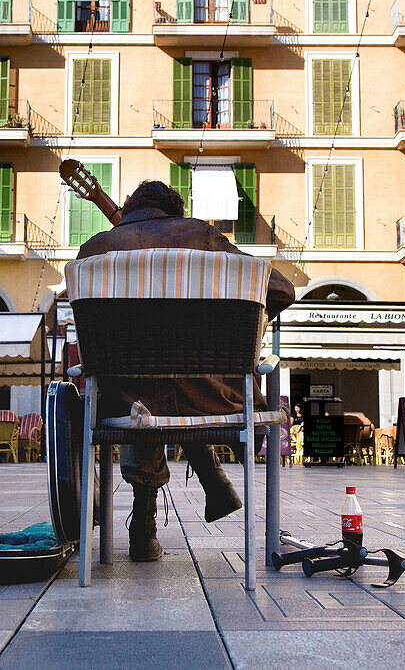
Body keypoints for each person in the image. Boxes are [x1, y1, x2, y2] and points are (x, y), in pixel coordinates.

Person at [77, 180, 295, 562]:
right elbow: (279, 290)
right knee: (175, 384)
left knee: (144, 392)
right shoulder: (201, 237)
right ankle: (212, 481)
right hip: (205, 395)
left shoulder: (94, 250)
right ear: (175, 211)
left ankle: (143, 530)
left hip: (119, 399)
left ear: (129, 211)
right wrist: (232, 331)